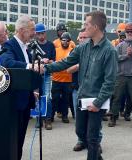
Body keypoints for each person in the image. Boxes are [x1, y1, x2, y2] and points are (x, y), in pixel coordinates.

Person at [44, 11, 117, 160]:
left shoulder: (109, 51)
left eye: (86, 25)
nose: (83, 28)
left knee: (92, 137)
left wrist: (98, 103)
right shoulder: (84, 47)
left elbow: (110, 82)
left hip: (97, 101)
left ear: (95, 27)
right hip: (82, 98)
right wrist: (45, 68)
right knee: (81, 132)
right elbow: (66, 62)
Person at [0, 15, 38, 160]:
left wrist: (31, 91)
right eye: (32, 29)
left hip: (25, 99)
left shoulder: (25, 47)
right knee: (14, 140)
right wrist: (30, 66)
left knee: (20, 139)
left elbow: (24, 77)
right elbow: (7, 63)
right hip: (15, 102)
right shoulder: (9, 46)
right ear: (22, 30)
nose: (34, 33)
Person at [108, 23, 132, 129]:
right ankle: (113, 117)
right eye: (128, 31)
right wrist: (127, 55)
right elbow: (115, 58)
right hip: (121, 76)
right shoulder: (120, 45)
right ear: (125, 32)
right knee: (117, 97)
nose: (130, 33)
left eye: (131, 31)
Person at [35, 23, 56, 130]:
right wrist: (37, 61)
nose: (41, 36)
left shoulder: (50, 45)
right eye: (38, 34)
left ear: (45, 33)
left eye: (42, 33)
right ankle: (39, 119)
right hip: (36, 75)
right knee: (37, 97)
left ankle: (48, 119)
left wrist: (48, 60)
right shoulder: (33, 45)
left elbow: (54, 61)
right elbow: (30, 60)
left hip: (47, 74)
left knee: (47, 97)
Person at [51, 32, 73, 123]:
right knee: (54, 99)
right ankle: (51, 116)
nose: (65, 42)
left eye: (67, 41)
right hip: (56, 79)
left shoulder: (72, 50)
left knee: (66, 99)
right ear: (60, 40)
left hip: (68, 80)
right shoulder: (55, 50)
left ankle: (65, 116)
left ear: (70, 42)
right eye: (63, 40)